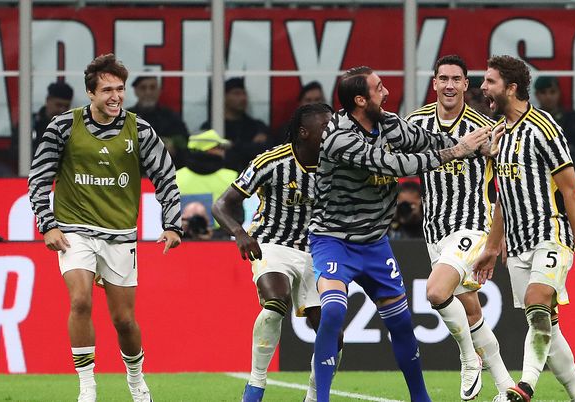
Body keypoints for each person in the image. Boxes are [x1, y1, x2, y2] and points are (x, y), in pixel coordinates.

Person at [309, 66, 497, 402]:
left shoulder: (386, 121)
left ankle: (420, 398)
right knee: (335, 311)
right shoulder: (339, 137)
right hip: (333, 240)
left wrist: (471, 145)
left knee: (401, 323)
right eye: (379, 88)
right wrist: (458, 150)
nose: (387, 93)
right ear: (359, 100)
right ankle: (319, 397)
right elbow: (393, 165)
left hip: (375, 244)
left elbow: (423, 139)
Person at [27, 53, 182, 402]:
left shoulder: (140, 129)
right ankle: (87, 385)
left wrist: (172, 224)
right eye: (107, 89)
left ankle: (136, 380)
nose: (116, 96)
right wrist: (48, 225)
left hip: (119, 234)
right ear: (91, 94)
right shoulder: (63, 126)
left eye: (120, 89)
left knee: (124, 320)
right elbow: (38, 178)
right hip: (74, 230)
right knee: (80, 300)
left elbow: (166, 178)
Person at [474, 55, 575, 402]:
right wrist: (491, 245)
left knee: (536, 301)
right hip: (516, 246)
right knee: (546, 325)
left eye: (490, 82)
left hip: (552, 236)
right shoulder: (500, 134)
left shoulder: (544, 128)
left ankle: (525, 385)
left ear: (511, 88)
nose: (483, 87)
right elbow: (505, 195)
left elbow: (572, 190)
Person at [213, 103, 339, 402]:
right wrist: (240, 233)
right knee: (276, 300)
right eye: (326, 127)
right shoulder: (271, 161)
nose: (331, 132)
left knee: (331, 326)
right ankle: (255, 387)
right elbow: (221, 205)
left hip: (317, 251)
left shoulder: (337, 165)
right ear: (304, 132)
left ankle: (314, 396)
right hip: (272, 243)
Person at [406, 55, 514, 402]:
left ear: (466, 85)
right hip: (434, 231)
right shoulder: (416, 123)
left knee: (436, 293)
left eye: (457, 79)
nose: (450, 85)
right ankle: (506, 387)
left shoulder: (487, 126)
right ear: (434, 83)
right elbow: (396, 163)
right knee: (470, 311)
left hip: (472, 225)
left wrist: (501, 237)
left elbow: (508, 184)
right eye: (443, 79)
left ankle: (469, 358)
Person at [201, 77, 271, 172]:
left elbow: (266, 154)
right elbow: (206, 156)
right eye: (236, 94)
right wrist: (249, 146)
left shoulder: (257, 126)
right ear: (224, 97)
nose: (243, 98)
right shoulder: (211, 127)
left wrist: (231, 147)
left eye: (244, 94)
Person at [175, 129, 239, 230]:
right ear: (209, 149)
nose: (223, 151)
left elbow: (167, 218)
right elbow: (239, 217)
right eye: (220, 147)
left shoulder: (176, 177)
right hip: (221, 242)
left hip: (182, 241)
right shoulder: (232, 176)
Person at [534, 76, 575, 175]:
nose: (548, 97)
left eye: (552, 92)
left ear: (559, 93)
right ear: (537, 95)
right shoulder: (531, 121)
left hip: (570, 176)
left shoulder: (573, 120)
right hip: (539, 177)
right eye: (543, 92)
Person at [128, 74, 190, 168]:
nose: (148, 92)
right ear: (136, 91)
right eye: (143, 88)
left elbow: (185, 142)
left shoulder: (171, 118)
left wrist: (172, 146)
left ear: (159, 91)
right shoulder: (127, 117)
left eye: (152, 88)